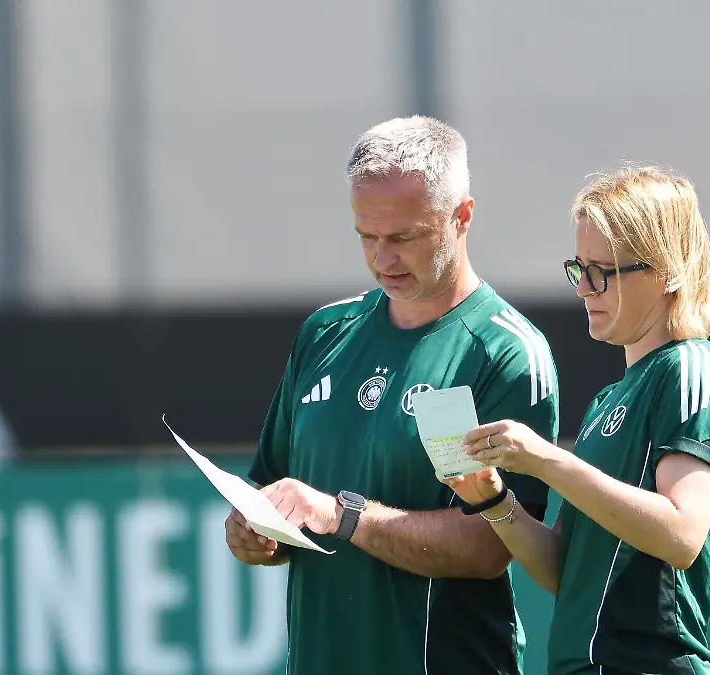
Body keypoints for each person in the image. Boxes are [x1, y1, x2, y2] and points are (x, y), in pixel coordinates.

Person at [224, 115, 561, 675]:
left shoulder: (504, 353)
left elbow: (489, 546)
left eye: (403, 238)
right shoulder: (324, 333)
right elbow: (272, 485)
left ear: (462, 217)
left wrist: (342, 515)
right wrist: (254, 531)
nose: (382, 259)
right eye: (367, 237)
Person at [444, 166, 710, 675]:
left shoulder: (694, 368)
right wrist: (493, 499)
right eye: (578, 268)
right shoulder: (609, 399)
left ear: (667, 271)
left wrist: (546, 460)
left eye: (603, 271)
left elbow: (681, 534)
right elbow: (567, 571)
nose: (584, 288)